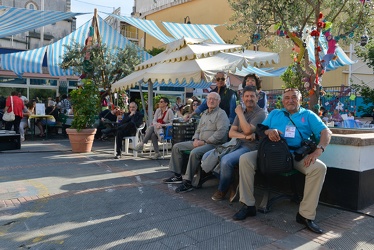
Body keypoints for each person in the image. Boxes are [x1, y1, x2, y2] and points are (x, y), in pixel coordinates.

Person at [233, 88, 332, 235]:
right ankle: (248, 205)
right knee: (245, 159)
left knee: (319, 168)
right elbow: (260, 130)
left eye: (294, 97)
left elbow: (326, 132)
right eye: (287, 98)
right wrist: (268, 131)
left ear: (300, 100)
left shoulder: (308, 115)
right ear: (282, 100)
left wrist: (318, 151)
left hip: (295, 155)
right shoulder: (275, 113)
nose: (290, 100)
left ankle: (305, 215)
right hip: (271, 153)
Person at [201, 86, 267, 201]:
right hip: (234, 143)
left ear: (257, 98)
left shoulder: (260, 113)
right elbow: (231, 133)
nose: (249, 98)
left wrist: (240, 114)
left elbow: (247, 129)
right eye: (246, 96)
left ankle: (222, 189)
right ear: (243, 98)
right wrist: (245, 136)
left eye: (252, 96)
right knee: (206, 156)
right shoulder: (241, 111)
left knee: (226, 160)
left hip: (250, 147)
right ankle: (232, 182)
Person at [163, 92, 230, 193]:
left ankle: (188, 182)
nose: (211, 101)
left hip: (213, 145)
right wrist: (195, 139)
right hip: (200, 142)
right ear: (206, 101)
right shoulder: (204, 114)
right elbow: (198, 130)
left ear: (219, 101)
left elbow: (220, 134)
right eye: (209, 99)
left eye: (214, 99)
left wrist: (203, 142)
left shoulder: (221, 114)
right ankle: (177, 175)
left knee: (195, 153)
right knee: (177, 146)